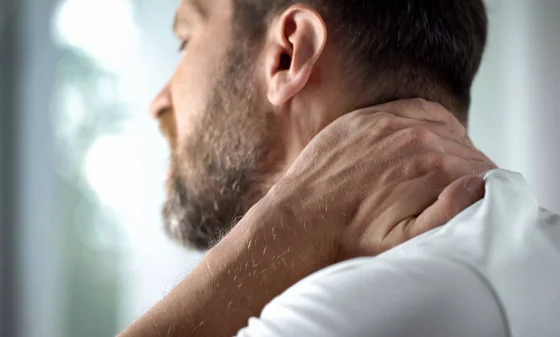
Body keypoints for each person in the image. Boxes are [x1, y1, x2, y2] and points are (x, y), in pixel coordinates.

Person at [119, 0, 560, 336]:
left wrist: (288, 222)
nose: (158, 102)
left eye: (186, 38)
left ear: (287, 55)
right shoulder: (519, 244)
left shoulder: (349, 313)